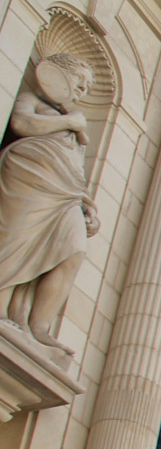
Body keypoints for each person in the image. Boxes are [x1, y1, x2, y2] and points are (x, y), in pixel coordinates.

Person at [0, 53, 99, 351]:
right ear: (60, 75)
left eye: (88, 88)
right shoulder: (34, 99)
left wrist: (88, 204)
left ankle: (39, 325)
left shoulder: (74, 126)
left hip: (65, 194)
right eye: (80, 82)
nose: (83, 90)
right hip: (28, 179)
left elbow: (74, 172)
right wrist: (69, 120)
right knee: (16, 241)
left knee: (74, 251)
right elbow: (20, 123)